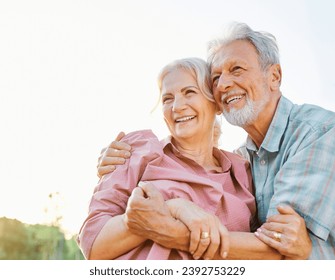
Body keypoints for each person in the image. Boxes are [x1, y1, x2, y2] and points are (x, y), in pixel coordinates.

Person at [98, 22, 335, 259]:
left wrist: (170, 229)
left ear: (274, 76)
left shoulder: (318, 132)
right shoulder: (243, 160)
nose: (224, 84)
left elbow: (279, 247)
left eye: (237, 69)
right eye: (217, 77)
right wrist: (123, 161)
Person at [78, 57, 286, 260]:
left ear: (216, 103)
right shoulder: (138, 151)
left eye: (189, 92)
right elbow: (94, 245)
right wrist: (172, 208)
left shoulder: (242, 171)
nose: (177, 106)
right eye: (168, 98)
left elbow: (265, 249)